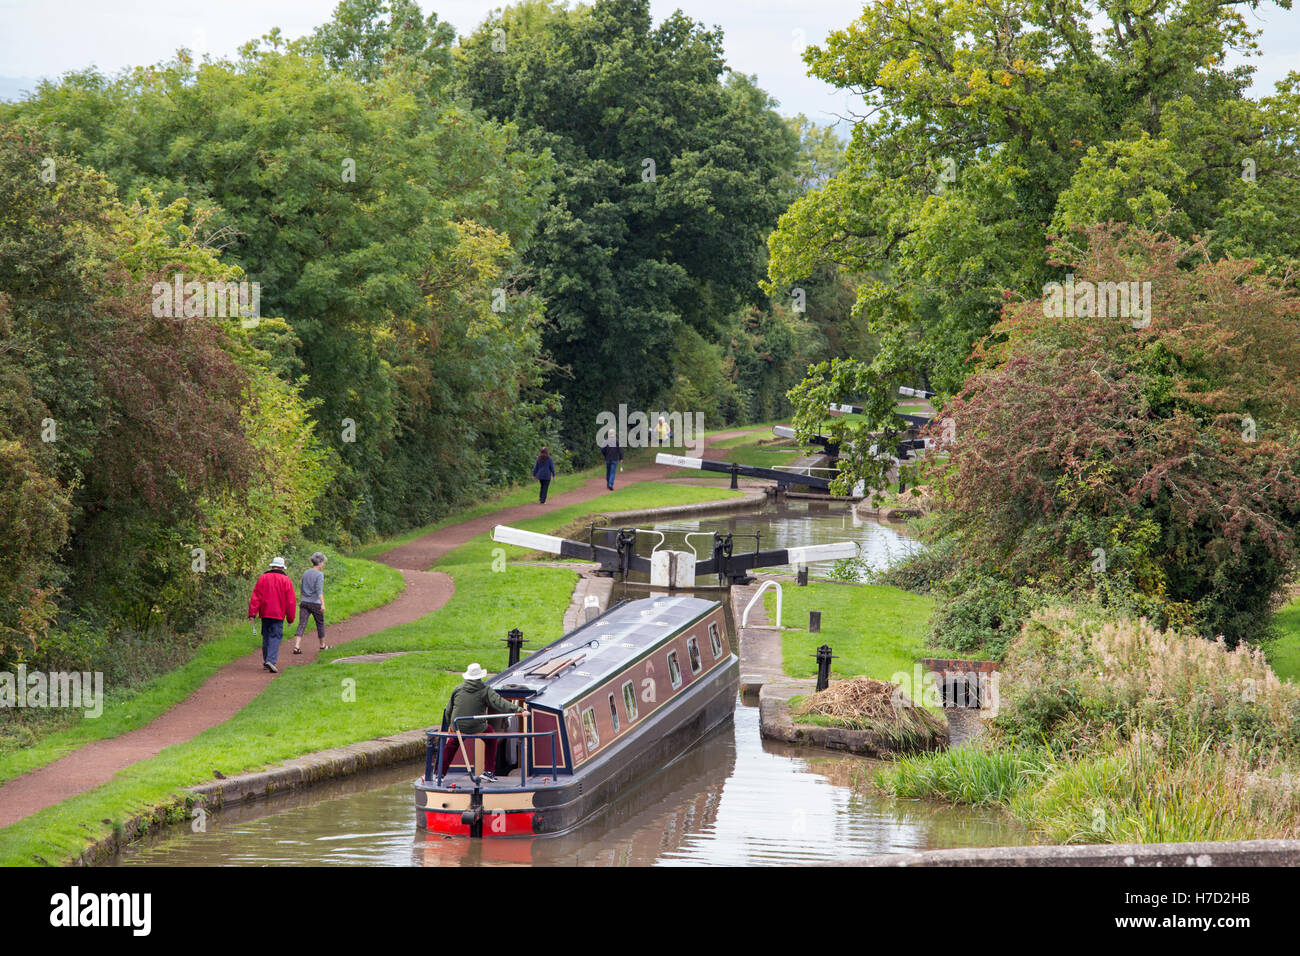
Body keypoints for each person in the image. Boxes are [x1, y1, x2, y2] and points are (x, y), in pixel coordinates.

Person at [439, 663, 523, 780]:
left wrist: (451, 727)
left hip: (458, 725)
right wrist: (520, 710)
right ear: (480, 677)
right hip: (476, 726)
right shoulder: (485, 690)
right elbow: (500, 703)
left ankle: (440, 773)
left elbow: (448, 710)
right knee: (491, 738)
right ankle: (488, 772)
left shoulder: (458, 689)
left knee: (451, 744)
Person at [249, 557, 296, 674]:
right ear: (282, 567)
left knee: (266, 636)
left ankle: (266, 661)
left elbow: (256, 597)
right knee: (275, 637)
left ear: (272, 566)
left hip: (265, 613)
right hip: (278, 614)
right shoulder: (286, 580)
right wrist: (290, 618)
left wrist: (252, 613)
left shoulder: (263, 578)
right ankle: (271, 660)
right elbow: (290, 601)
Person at [292, 552, 328, 655]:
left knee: (302, 624)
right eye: (323, 562)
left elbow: (302, 587)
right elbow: (319, 590)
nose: (323, 564)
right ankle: (322, 645)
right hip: (315, 603)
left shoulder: (305, 573)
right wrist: (322, 604)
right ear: (320, 563)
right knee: (320, 623)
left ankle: (297, 646)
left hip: (304, 602)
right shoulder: (320, 574)